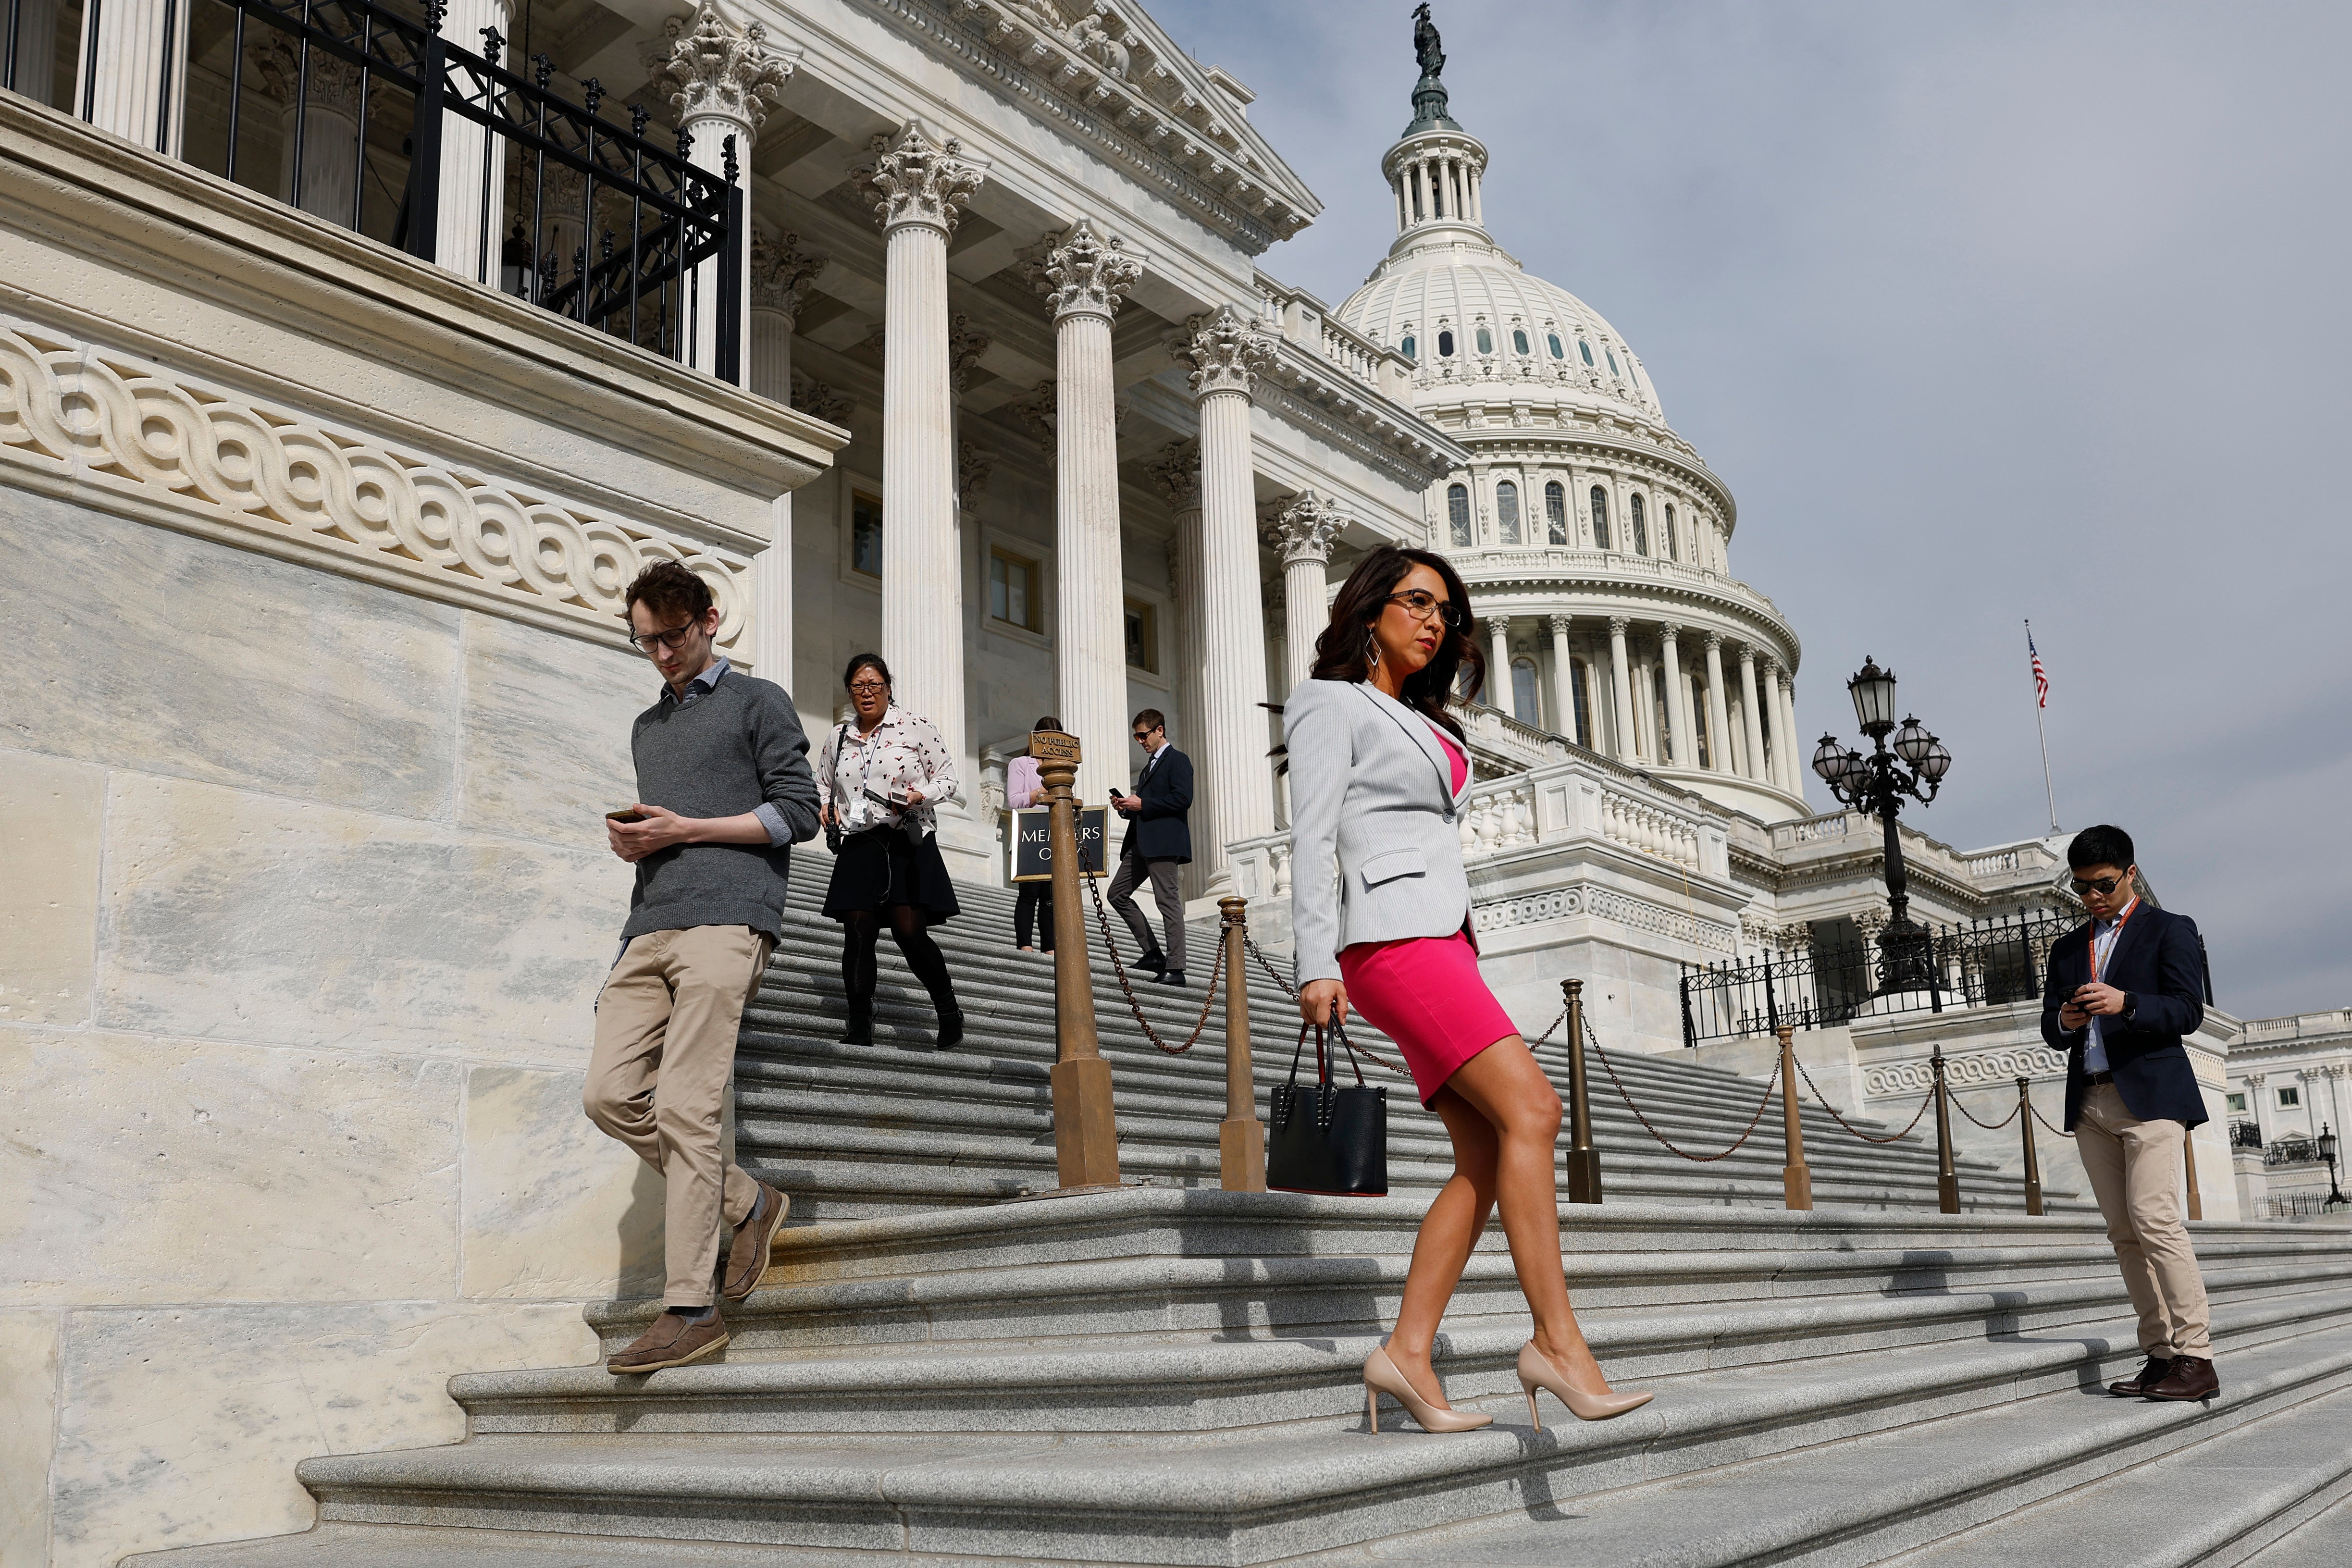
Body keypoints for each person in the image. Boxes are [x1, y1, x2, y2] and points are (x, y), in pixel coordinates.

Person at [1287, 544, 1650, 1435]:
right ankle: (1556, 1341)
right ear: (1369, 607)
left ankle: (1406, 1352)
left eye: (1444, 611)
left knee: (1485, 1155)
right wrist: (1313, 960)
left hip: (1444, 938)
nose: (1433, 621)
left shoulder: (1427, 720)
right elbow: (1312, 836)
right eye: (1415, 601)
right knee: (1535, 1109)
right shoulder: (1329, 703)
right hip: (1390, 940)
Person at [585, 560, 820, 1375]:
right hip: (649, 922)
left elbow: (799, 813)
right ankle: (748, 1200)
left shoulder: (759, 701)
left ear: (710, 620)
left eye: (672, 636)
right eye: (645, 641)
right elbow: (666, 831)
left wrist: (688, 827)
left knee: (687, 1106)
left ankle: (690, 1308)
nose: (661, 654)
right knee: (608, 1092)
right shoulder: (647, 727)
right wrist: (640, 842)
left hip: (728, 917)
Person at [2040, 824, 2219, 1403]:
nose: (2092, 896)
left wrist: (2127, 1002)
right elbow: (2049, 1026)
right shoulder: (2068, 948)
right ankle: (2160, 1353)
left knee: (2155, 1220)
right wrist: (2064, 1020)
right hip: (2089, 1100)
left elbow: (2187, 1010)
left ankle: (2197, 1355)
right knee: (2123, 1232)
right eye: (2081, 887)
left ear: (2130, 873)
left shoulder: (2170, 928)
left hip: (2150, 1097)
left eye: (2103, 884)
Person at [818, 654, 965, 1049]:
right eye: (858, 686)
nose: (866, 693)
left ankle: (948, 1008)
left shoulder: (915, 726)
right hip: (860, 839)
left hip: (906, 836)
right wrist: (826, 808)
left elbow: (949, 778)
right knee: (858, 931)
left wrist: (920, 795)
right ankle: (859, 1020)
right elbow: (822, 782)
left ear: (888, 687)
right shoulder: (839, 736)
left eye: (874, 685)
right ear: (849, 691)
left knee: (909, 931)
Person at [1107, 708, 1193, 986]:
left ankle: (1176, 967)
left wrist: (1142, 803)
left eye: (1143, 735)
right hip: (1140, 843)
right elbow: (1144, 809)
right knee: (1117, 894)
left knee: (1167, 901)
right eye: (1137, 737)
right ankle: (1154, 954)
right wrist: (1126, 808)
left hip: (1164, 844)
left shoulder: (1178, 760)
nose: (1141, 741)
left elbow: (1183, 799)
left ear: (1160, 731)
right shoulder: (1148, 767)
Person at [1007, 715, 1059, 954]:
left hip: (1052, 835)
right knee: (1029, 894)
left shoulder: (1061, 768)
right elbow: (1014, 801)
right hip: (1027, 835)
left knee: (1049, 897)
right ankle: (1025, 945)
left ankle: (1050, 947)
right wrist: (1040, 791)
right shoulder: (1020, 763)